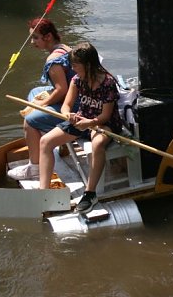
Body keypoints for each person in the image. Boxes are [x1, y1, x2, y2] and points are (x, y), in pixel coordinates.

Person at [37, 41, 123, 213]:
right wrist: (69, 114)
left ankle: (90, 194)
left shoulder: (108, 83)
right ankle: (43, 192)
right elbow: (66, 106)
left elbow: (105, 116)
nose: (73, 69)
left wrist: (89, 123)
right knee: (46, 141)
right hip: (81, 120)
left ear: (88, 65)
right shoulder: (77, 80)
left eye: (76, 65)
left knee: (97, 144)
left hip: (104, 124)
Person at [7, 18, 75, 180]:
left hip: (74, 104)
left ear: (48, 37)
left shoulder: (53, 60)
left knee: (29, 119)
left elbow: (62, 90)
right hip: (71, 95)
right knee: (35, 91)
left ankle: (35, 166)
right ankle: (43, 128)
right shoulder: (64, 48)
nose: (32, 42)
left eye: (35, 37)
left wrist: (42, 104)